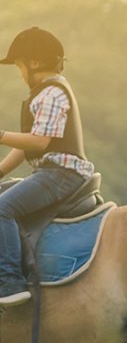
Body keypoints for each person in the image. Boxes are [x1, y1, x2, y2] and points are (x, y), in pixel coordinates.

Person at [0, 27, 96, 305]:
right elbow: (26, 145)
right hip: (50, 172)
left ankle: (9, 282)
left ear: (33, 63)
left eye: (18, 64)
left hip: (61, 174)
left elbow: (40, 142)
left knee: (3, 209)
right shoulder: (42, 95)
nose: (19, 72)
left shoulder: (51, 94)